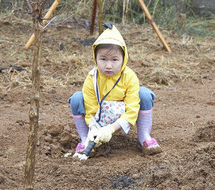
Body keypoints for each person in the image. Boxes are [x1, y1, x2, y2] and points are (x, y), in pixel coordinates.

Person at [67, 24, 159, 160]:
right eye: (103, 59)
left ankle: (144, 137)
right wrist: (93, 128)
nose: (108, 65)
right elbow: (90, 109)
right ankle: (86, 140)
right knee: (76, 98)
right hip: (100, 117)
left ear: (123, 59)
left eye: (115, 60)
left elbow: (132, 108)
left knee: (144, 94)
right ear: (95, 58)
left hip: (122, 116)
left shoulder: (130, 77)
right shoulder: (92, 78)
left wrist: (111, 128)